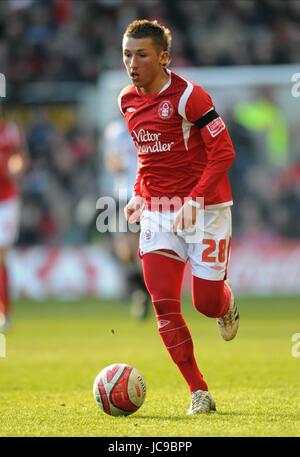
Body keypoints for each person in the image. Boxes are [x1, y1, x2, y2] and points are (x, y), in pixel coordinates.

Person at [119, 19, 239, 415]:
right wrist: (139, 194)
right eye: (127, 55)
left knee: (205, 303)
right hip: (158, 212)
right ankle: (198, 391)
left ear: (164, 57)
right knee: (165, 304)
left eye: (141, 55)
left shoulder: (190, 97)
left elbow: (224, 152)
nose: (132, 63)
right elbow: (146, 157)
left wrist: (193, 199)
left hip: (207, 209)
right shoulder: (127, 101)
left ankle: (225, 303)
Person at [103, 118, 150, 319]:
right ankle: (142, 290)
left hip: (143, 195)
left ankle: (145, 293)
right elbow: (110, 159)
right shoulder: (114, 131)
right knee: (124, 251)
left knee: (140, 248)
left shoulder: (146, 126)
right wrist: (116, 165)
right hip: (122, 195)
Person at [0, 107, 27, 331]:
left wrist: (13, 169)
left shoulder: (9, 131)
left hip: (6, 201)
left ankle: (4, 311)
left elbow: (19, 159)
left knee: (1, 254)